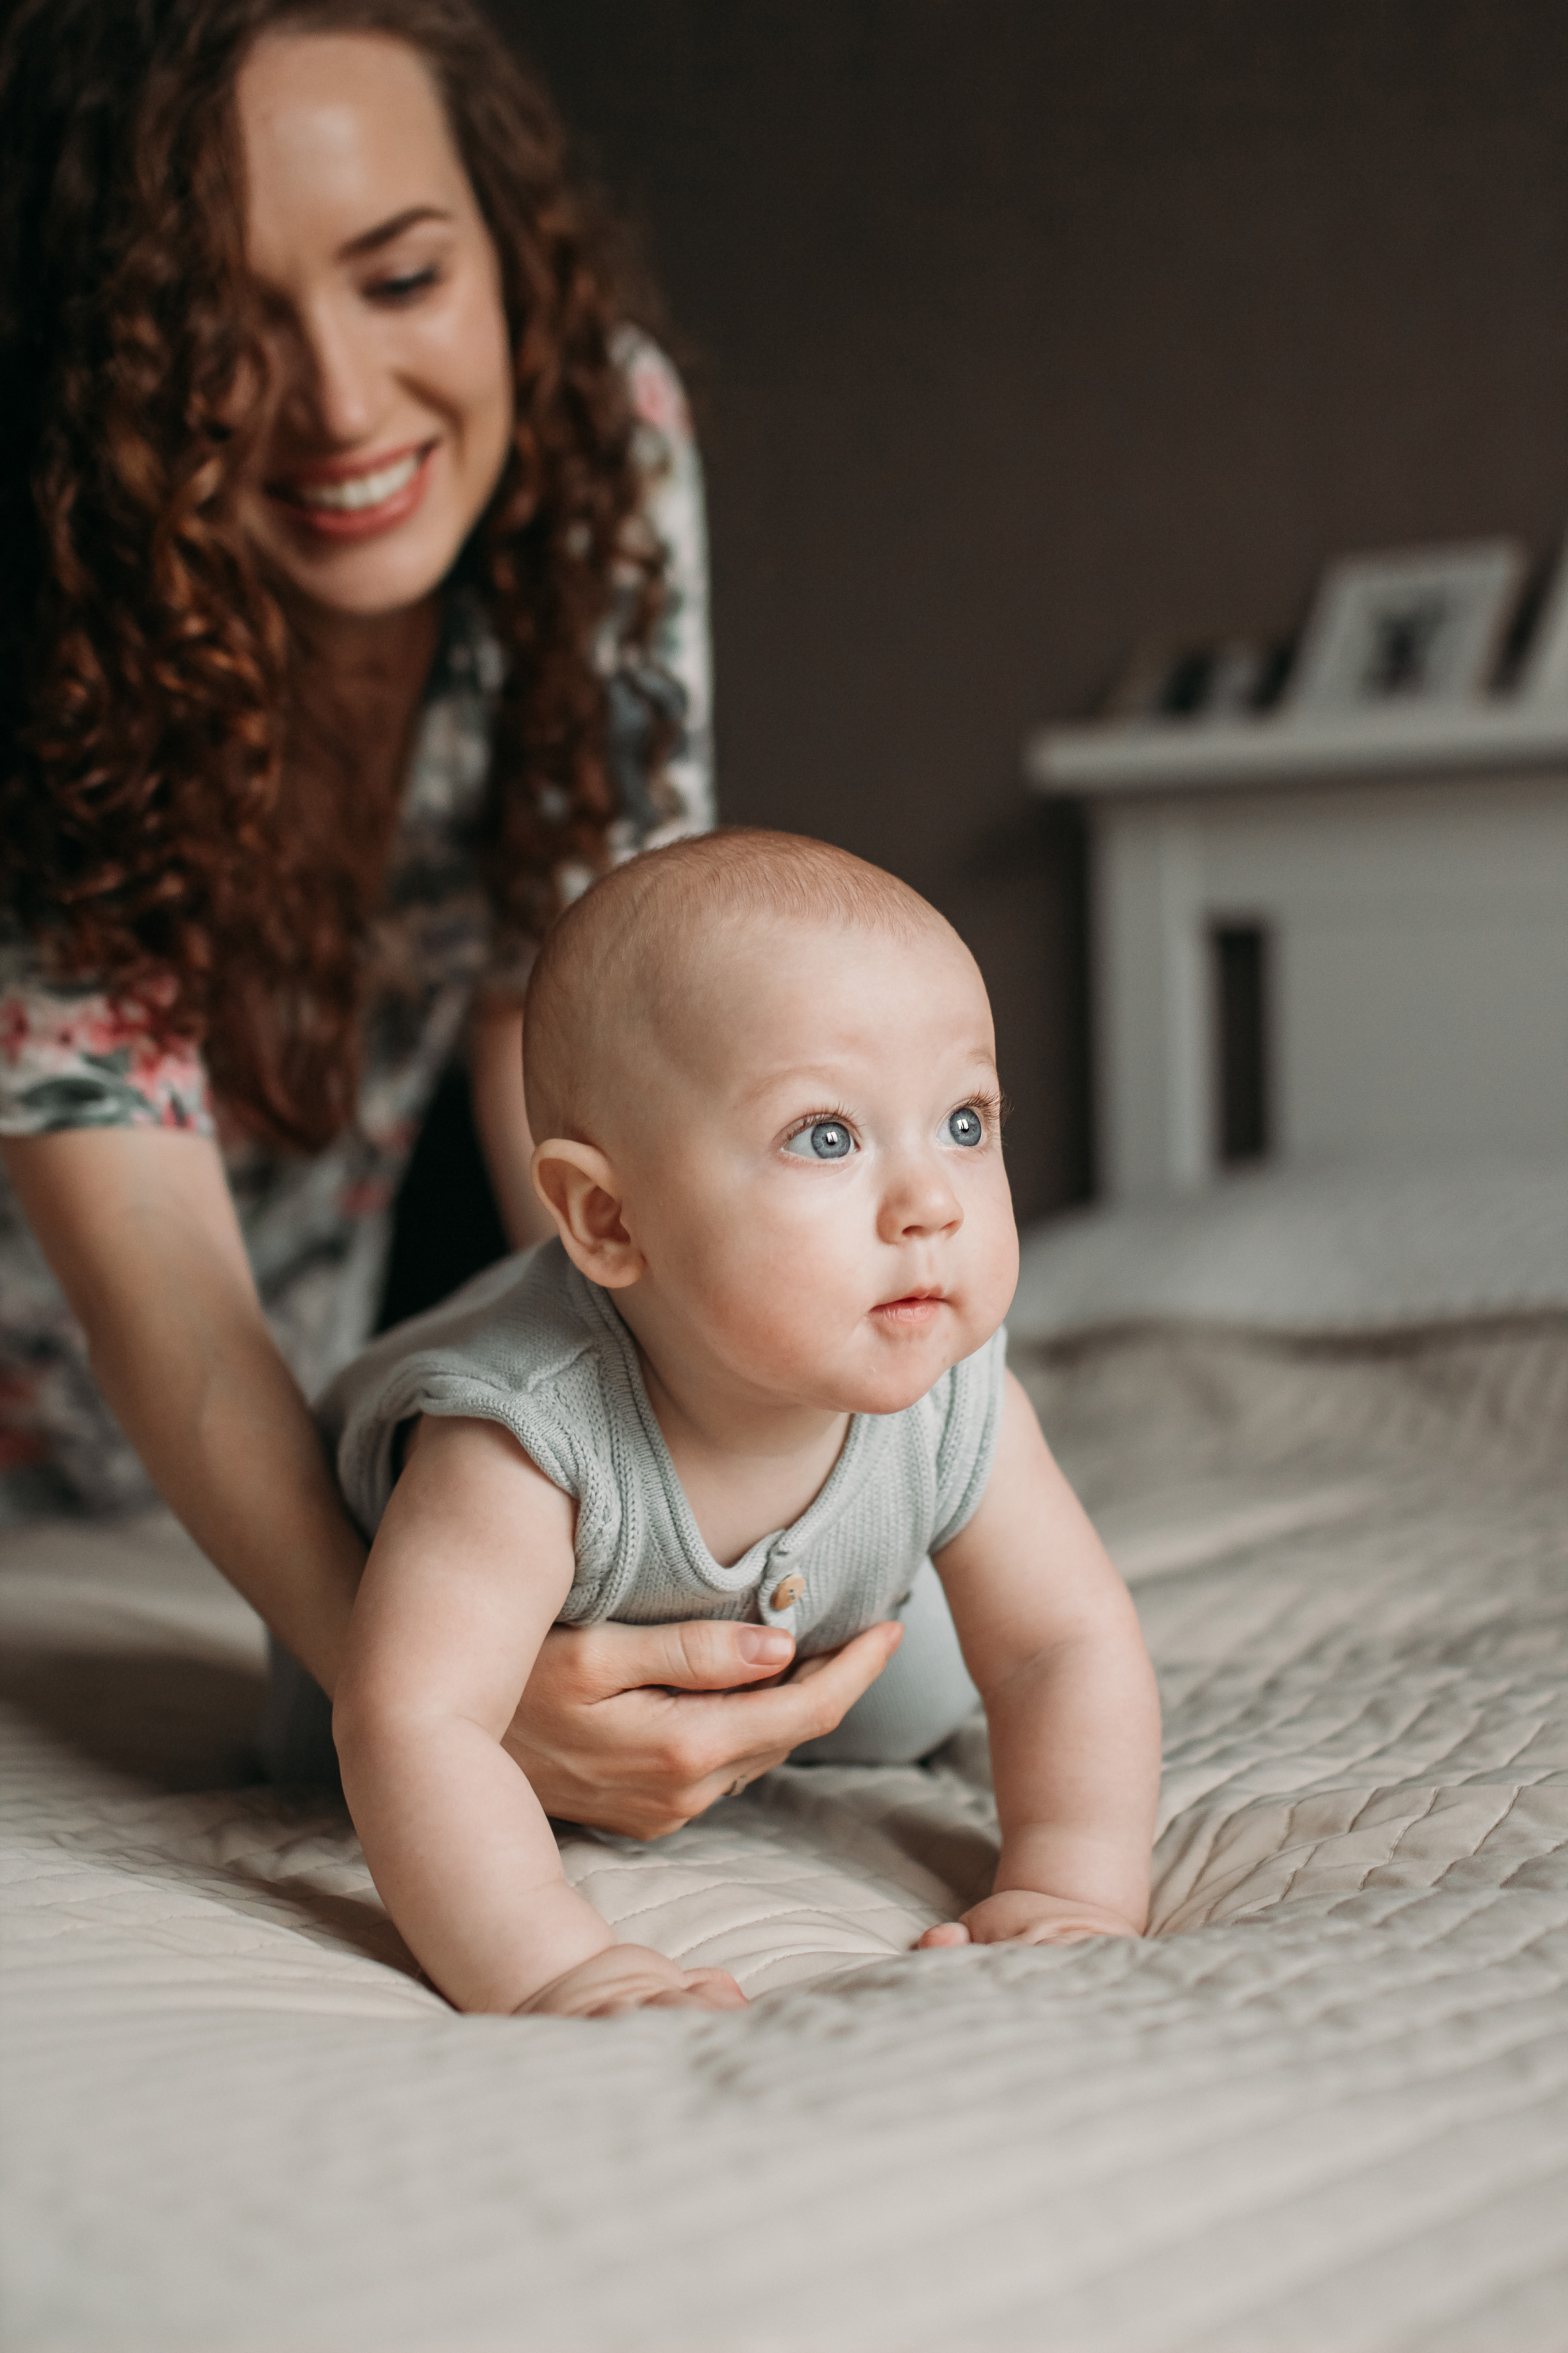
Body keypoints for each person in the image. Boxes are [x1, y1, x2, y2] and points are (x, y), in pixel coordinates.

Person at [0, 0, 899, 1829]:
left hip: (296, 1332)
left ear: (507, 257)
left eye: (399, 278)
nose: (338, 402)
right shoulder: (38, 583)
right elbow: (152, 1268)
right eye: (212, 331)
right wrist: (431, 1690)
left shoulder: (598, 453)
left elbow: (580, 1035)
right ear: (102, 360)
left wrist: (694, 1441)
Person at [320, 831, 1163, 2017]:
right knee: (335, 1742)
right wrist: (555, 1966)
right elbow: (417, 1719)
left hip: (797, 1630)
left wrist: (1071, 1882)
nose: (931, 1202)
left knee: (915, 1700)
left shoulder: (956, 1389)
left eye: (965, 1122)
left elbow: (1060, 1644)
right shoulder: (526, 1433)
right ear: (609, 1219)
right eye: (826, 1135)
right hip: (423, 1656)